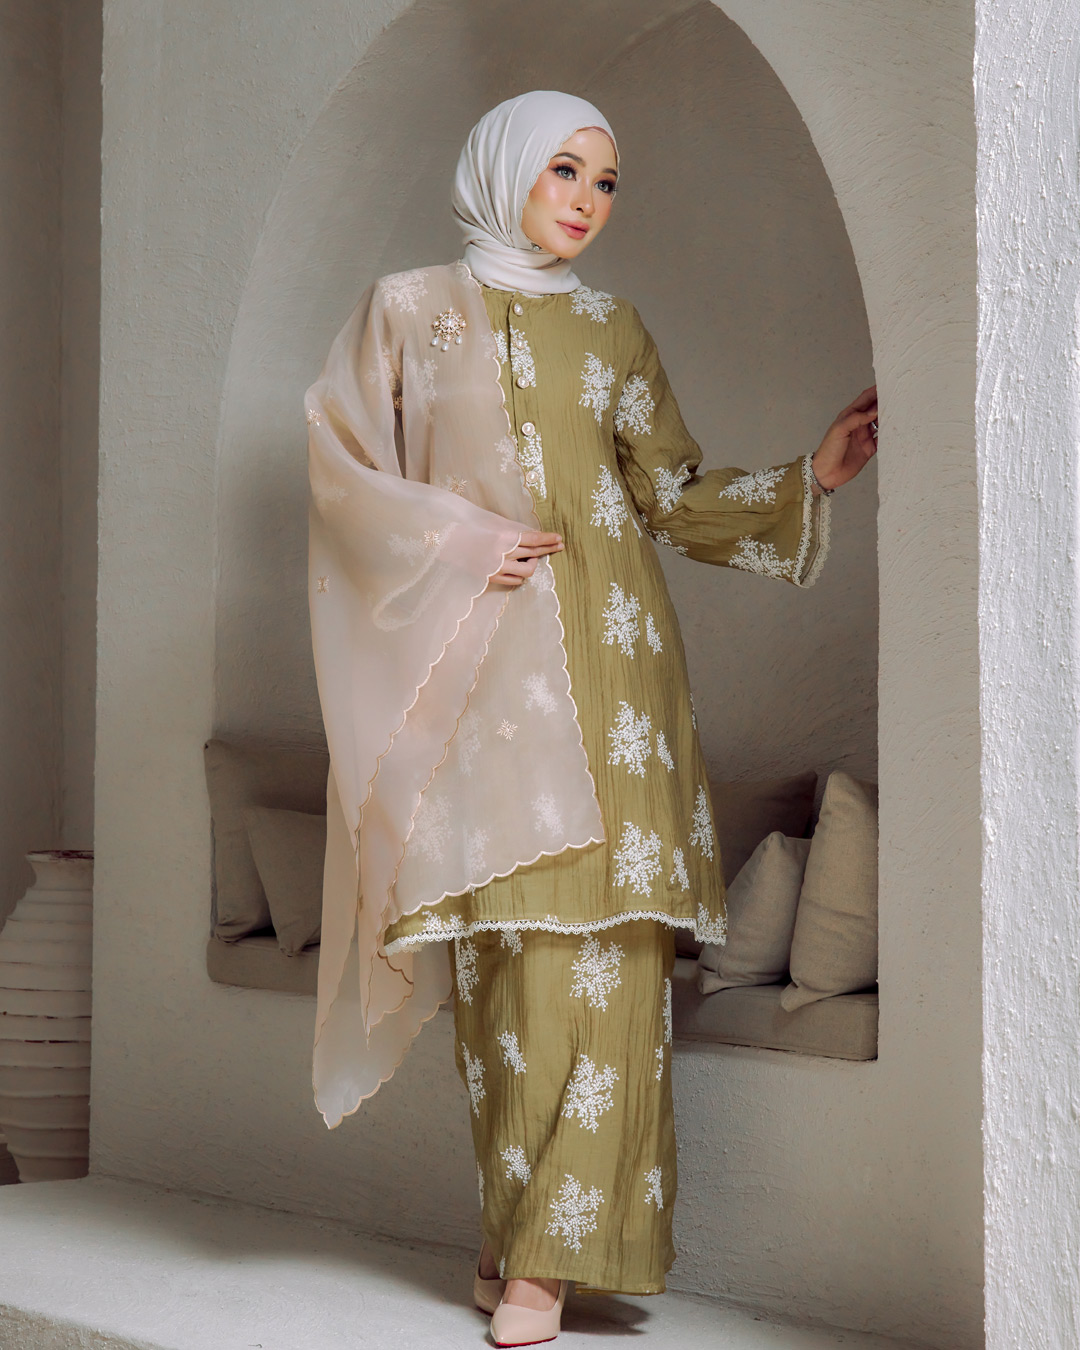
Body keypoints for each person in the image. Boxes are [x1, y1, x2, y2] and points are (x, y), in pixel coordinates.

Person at [305, 90, 877, 1347]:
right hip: (485, 688)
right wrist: (458, 538)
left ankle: (546, 1269)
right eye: (564, 169)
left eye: (606, 181)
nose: (585, 200)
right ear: (504, 166)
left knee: (610, 966)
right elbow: (343, 475)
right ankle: (513, 1232)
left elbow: (667, 495)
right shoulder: (408, 310)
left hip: (619, 683)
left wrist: (810, 479)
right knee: (508, 966)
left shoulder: (615, 329)